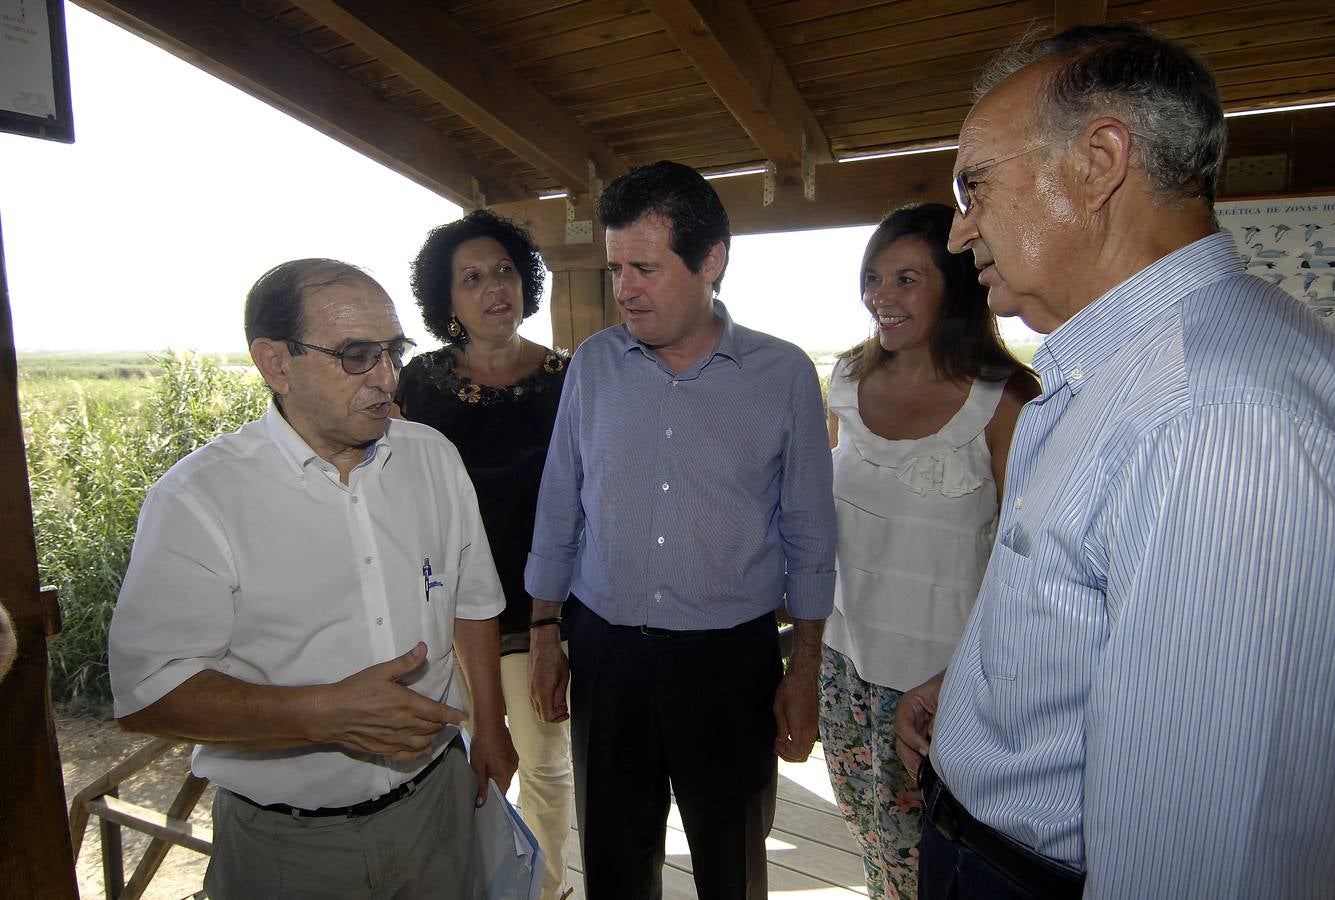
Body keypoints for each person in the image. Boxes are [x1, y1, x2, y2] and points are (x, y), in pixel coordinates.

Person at [893, 23, 1335, 900]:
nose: (957, 231)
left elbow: (1202, 851)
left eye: (973, 185)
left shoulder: (1210, 418)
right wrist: (986, 691)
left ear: (1098, 163)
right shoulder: (1113, 373)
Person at [108, 259, 518, 899]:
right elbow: (147, 692)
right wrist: (322, 714)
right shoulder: (199, 499)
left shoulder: (432, 458)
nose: (386, 378)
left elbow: (472, 601)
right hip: (286, 850)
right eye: (357, 356)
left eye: (393, 352)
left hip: (438, 810)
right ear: (275, 363)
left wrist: (491, 726)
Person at [525, 160, 836, 900]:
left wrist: (804, 671)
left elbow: (808, 528)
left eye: (644, 267)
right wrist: (544, 633)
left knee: (731, 861)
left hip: (731, 663)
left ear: (711, 262)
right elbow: (559, 501)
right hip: (607, 654)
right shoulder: (594, 366)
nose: (624, 289)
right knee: (614, 859)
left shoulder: (782, 374)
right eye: (614, 269)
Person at [819, 202, 1037, 899]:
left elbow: (1024, 559)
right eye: (873, 277)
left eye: (906, 279)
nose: (880, 297)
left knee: (938, 865)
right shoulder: (845, 386)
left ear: (956, 286)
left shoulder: (1005, 402)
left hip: (944, 688)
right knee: (874, 849)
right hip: (843, 669)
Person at [394, 209, 574, 900]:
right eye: (470, 278)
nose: (492, 286)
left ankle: (547, 890)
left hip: (540, 610)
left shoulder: (570, 378)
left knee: (546, 768)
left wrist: (554, 619)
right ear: (447, 301)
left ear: (525, 282)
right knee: (455, 767)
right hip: (443, 615)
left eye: (503, 270)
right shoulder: (417, 384)